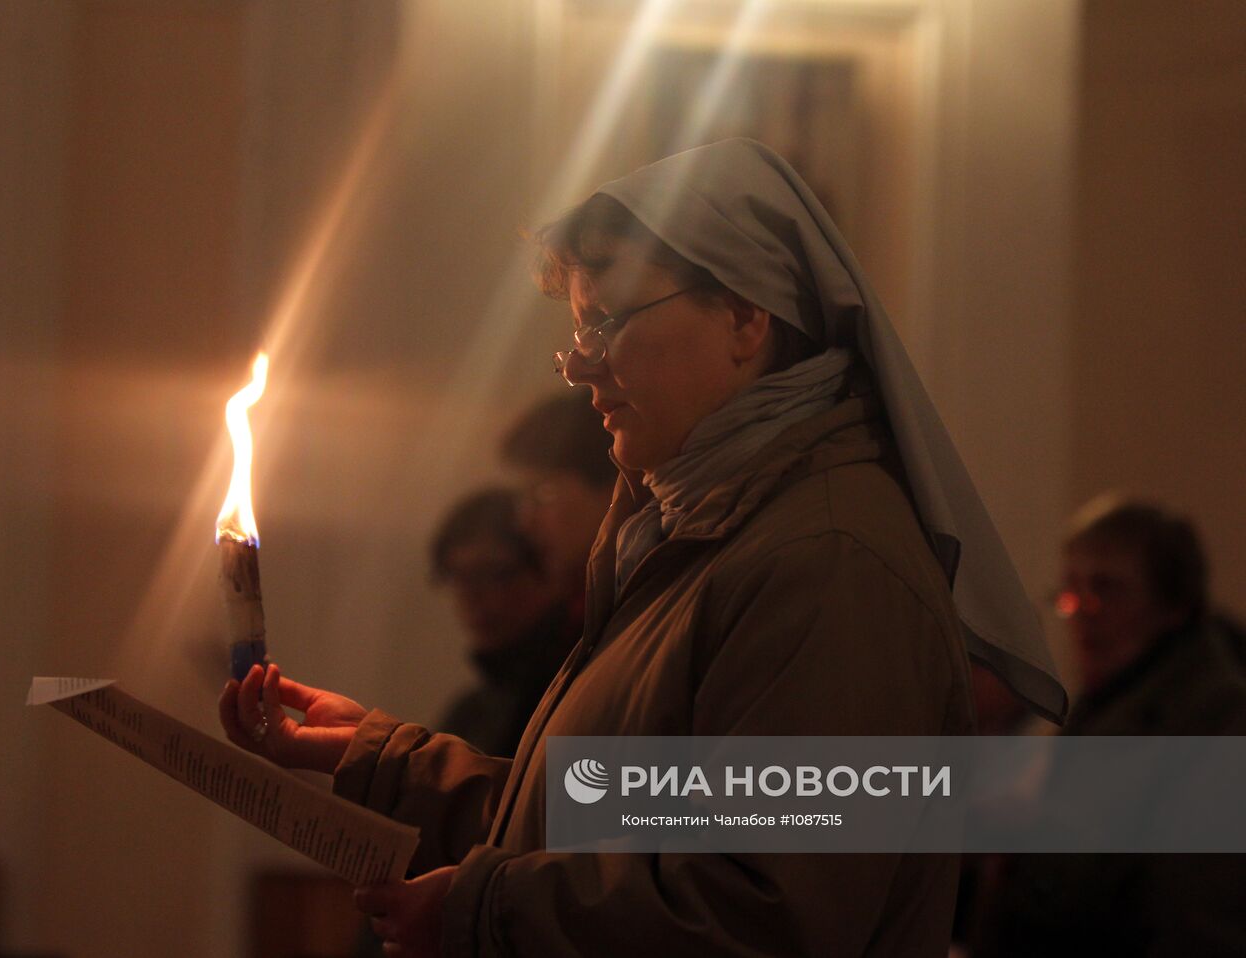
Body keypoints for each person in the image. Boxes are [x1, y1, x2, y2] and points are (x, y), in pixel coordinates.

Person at [219, 139, 1065, 957]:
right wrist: (381, 759)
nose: (581, 367)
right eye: (576, 333)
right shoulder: (697, 531)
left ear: (743, 316)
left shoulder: (828, 561)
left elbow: (766, 910)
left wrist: (485, 915)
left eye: (611, 322)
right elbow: (609, 818)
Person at [969, 495, 1246, 957]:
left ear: (1174, 605)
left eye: (1107, 588)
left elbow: (1197, 919)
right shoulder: (1115, 699)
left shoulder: (1217, 724)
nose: (1080, 610)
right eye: (1070, 590)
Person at [429, 487, 573, 758]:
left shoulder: (579, 690)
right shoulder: (471, 714)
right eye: (459, 577)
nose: (472, 596)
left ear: (550, 564)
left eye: (494, 574)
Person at [499, 391, 615, 628]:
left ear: (612, 487)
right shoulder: (583, 610)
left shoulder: (642, 602)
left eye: (544, 493)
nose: (525, 521)